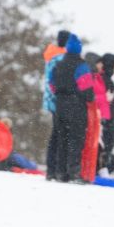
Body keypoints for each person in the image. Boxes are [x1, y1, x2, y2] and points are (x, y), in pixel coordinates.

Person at [50, 34, 94, 182]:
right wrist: (88, 97)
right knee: (76, 140)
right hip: (76, 106)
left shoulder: (58, 64)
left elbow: (51, 84)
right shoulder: (81, 66)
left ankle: (60, 172)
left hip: (60, 105)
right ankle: (73, 172)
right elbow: (87, 89)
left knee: (62, 139)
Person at [43, 30, 70, 179]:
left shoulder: (50, 55)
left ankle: (51, 169)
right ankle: (54, 168)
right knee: (58, 135)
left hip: (50, 97)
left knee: (55, 134)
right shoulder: (60, 57)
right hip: (58, 99)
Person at [81, 52, 108, 182]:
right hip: (92, 116)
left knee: (99, 145)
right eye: (99, 62)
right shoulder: (90, 77)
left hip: (98, 116)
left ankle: (93, 169)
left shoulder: (97, 77)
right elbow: (90, 95)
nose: (101, 65)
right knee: (93, 144)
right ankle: (89, 170)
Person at [99, 53, 114, 163]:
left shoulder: (106, 79)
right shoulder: (105, 80)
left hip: (110, 118)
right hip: (107, 120)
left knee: (107, 146)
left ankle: (104, 165)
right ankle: (103, 166)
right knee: (106, 146)